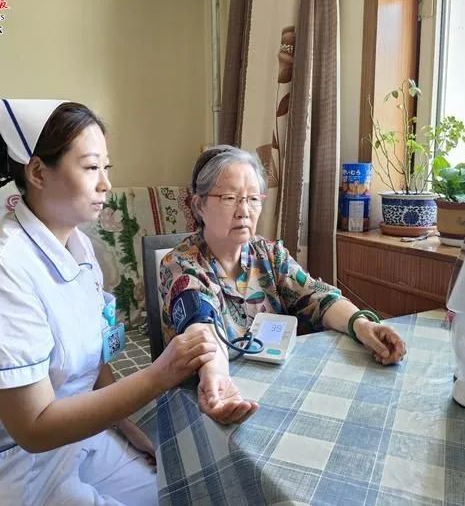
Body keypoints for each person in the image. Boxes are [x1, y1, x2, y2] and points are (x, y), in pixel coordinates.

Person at [0, 99, 217, 506]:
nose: (106, 184)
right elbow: (34, 428)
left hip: (76, 442)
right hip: (7, 470)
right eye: (91, 167)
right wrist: (160, 374)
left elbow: (94, 362)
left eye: (106, 168)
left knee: (183, 491)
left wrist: (134, 430)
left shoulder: (79, 250)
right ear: (38, 172)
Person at [159, 145, 407, 425]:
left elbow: (317, 295)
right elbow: (200, 324)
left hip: (278, 390)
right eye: (229, 198)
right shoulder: (181, 264)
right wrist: (216, 375)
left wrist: (361, 325)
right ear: (199, 205)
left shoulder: (270, 254)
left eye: (253, 198)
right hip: (207, 397)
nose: (244, 211)